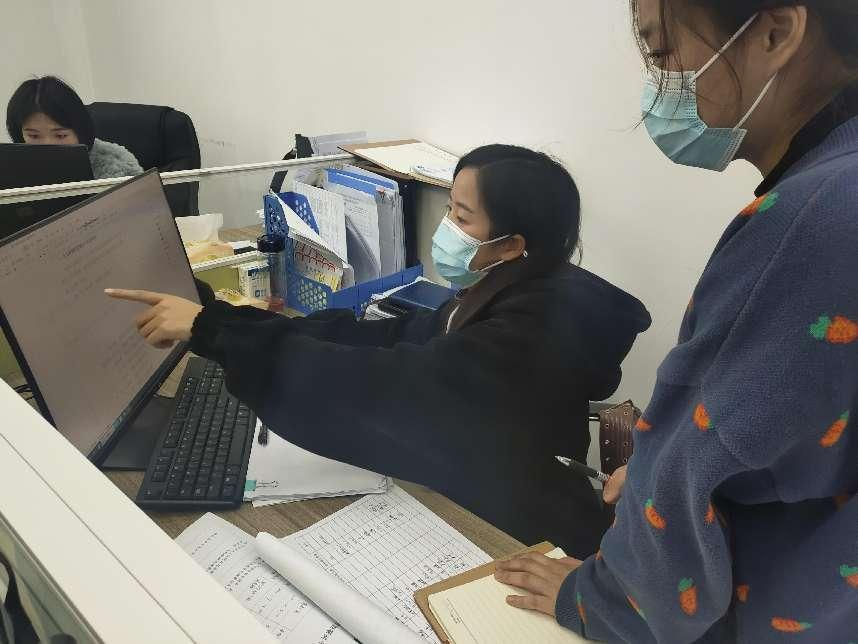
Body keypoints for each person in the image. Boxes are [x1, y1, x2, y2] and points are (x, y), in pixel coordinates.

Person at [495, 1, 858, 642]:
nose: (658, 85)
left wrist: (602, 599)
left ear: (775, 33)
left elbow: (692, 469)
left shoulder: (810, 220)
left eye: (663, 53)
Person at [106, 144, 652, 557]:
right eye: (450, 210)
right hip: (488, 489)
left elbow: (381, 380)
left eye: (462, 217)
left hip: (518, 537)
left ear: (511, 245)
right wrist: (232, 322)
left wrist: (214, 333)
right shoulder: (508, 287)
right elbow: (394, 337)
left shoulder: (528, 332)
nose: (447, 227)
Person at [6, 76, 143, 179]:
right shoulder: (12, 170)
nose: (47, 146)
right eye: (34, 136)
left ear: (80, 130)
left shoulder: (118, 172)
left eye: (60, 136)